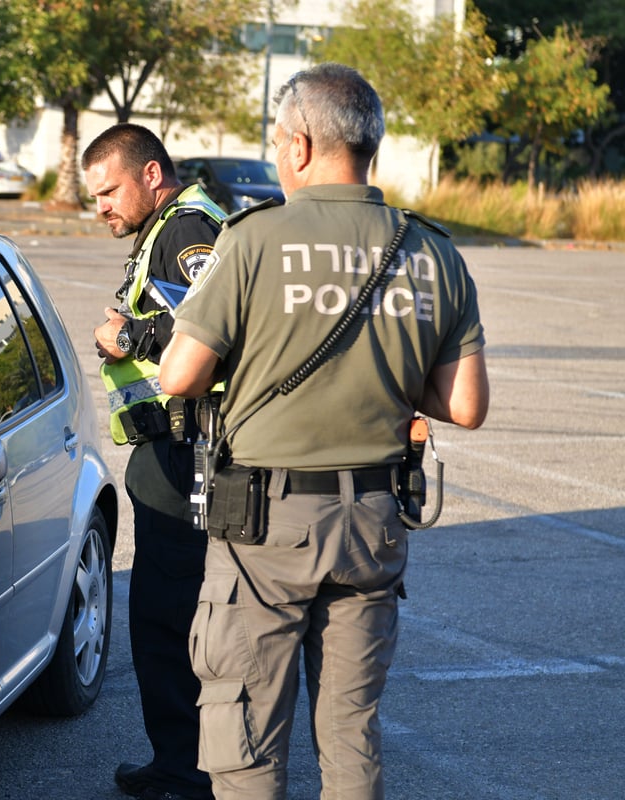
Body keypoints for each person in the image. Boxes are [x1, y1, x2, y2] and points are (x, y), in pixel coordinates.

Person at [159, 63, 489, 800]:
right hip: (374, 521)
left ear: (302, 145)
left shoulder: (251, 239)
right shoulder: (432, 251)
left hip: (266, 527)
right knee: (350, 733)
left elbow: (179, 376)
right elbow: (464, 405)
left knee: (244, 730)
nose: (277, 155)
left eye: (278, 141)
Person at [82, 123, 227, 800]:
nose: (102, 206)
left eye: (109, 190)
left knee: (169, 621)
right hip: (168, 451)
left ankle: (189, 771)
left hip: (188, 454)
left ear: (150, 174)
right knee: (164, 617)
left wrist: (125, 336)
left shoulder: (185, 229)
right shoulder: (165, 229)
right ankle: (184, 761)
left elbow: (217, 323)